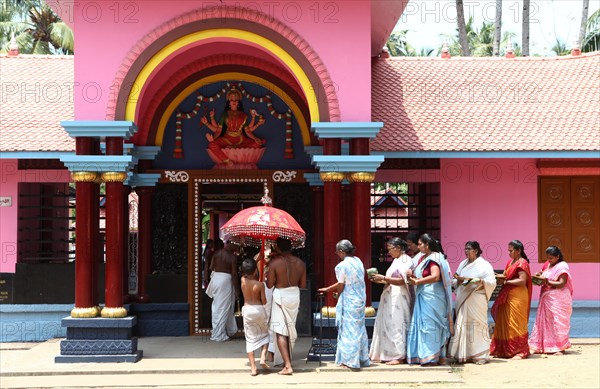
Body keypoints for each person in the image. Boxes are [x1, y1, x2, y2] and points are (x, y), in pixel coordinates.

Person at [318, 239, 370, 370]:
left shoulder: (341, 266)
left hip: (349, 300)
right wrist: (330, 288)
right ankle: (361, 358)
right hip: (360, 298)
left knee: (349, 331)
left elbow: (341, 286)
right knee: (359, 329)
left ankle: (349, 361)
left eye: (337, 252)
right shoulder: (358, 261)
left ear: (341, 252)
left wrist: (332, 292)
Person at [405, 234, 453, 366]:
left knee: (430, 326)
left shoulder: (434, 258)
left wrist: (418, 281)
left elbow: (435, 276)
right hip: (424, 295)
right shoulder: (422, 258)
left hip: (433, 297)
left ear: (427, 245)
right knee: (424, 326)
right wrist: (412, 275)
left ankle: (432, 357)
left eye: (420, 244)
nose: (418, 246)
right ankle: (429, 355)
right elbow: (422, 274)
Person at [447, 241, 496, 365]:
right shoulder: (462, 264)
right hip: (463, 299)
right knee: (463, 325)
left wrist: (476, 281)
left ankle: (480, 355)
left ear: (476, 250)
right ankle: (464, 354)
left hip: (477, 298)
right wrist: (456, 281)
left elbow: (491, 282)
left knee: (478, 325)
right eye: (465, 249)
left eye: (469, 249)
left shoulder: (484, 265)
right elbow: (455, 277)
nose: (466, 251)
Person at [368, 238, 415, 365]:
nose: (389, 252)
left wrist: (384, 278)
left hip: (399, 297)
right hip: (390, 296)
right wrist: (381, 280)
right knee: (389, 324)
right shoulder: (396, 260)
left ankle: (399, 355)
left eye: (390, 249)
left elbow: (402, 280)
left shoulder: (406, 260)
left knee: (397, 325)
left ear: (398, 248)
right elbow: (391, 279)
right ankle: (387, 353)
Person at [266, 237, 306, 375]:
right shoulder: (300, 263)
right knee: (290, 327)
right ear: (291, 247)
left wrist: (270, 276)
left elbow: (269, 285)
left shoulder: (275, 263)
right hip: (294, 295)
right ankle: (286, 360)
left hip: (280, 295)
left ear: (278, 247)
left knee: (280, 331)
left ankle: (288, 365)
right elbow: (303, 285)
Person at [200, 87, 265, 166]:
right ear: (229, 102)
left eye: (235, 100)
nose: (234, 102)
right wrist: (213, 138)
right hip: (227, 139)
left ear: (238, 102)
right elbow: (219, 130)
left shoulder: (244, 115)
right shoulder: (225, 115)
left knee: (258, 143)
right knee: (211, 145)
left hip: (241, 139)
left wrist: (255, 138)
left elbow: (247, 131)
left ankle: (233, 150)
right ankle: (226, 160)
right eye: (231, 100)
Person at [490, 240, 532, 359]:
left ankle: (520, 351)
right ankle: (503, 350)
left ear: (518, 251)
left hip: (517, 296)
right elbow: (505, 275)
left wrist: (506, 282)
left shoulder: (522, 263)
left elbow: (522, 280)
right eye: (508, 250)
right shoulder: (510, 262)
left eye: (511, 250)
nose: (508, 253)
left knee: (516, 323)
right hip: (507, 295)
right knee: (505, 322)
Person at [529, 246, 574, 355]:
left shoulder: (562, 266)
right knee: (545, 323)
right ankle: (544, 347)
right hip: (546, 298)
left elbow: (561, 283)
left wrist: (547, 282)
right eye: (548, 258)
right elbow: (542, 272)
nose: (549, 260)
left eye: (551, 258)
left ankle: (559, 348)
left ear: (557, 256)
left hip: (558, 299)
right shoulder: (547, 264)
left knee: (557, 322)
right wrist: (538, 275)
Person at [205, 240, 240, 342]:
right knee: (223, 308)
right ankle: (219, 335)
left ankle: (219, 331)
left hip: (216, 279)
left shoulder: (216, 253)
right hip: (225, 281)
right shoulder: (232, 257)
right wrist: (237, 290)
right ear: (229, 244)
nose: (235, 247)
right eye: (234, 244)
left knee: (217, 307)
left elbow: (211, 267)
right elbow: (234, 275)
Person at [240, 259, 270, 376]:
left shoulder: (242, 280)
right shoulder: (260, 285)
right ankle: (262, 357)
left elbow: (245, 274)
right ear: (255, 270)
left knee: (250, 339)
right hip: (258, 310)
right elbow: (264, 301)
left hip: (247, 310)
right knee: (266, 335)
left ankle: (253, 368)